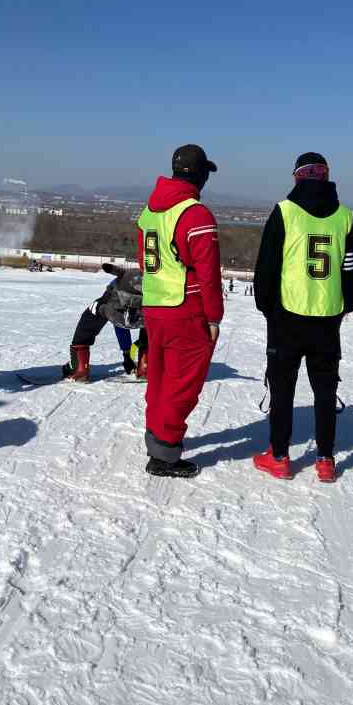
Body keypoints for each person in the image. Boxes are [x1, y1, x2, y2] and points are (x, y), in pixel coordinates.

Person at [253, 152, 353, 483]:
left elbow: (267, 266)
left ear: (297, 177)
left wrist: (266, 306)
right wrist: (347, 304)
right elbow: (351, 268)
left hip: (288, 315)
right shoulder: (344, 216)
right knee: (325, 390)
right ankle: (326, 460)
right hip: (328, 317)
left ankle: (280, 456)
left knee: (283, 388)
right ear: (326, 177)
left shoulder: (285, 212)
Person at [137, 144, 224, 478]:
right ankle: (164, 455)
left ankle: (155, 437)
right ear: (200, 175)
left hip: (154, 305)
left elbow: (143, 260)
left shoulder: (150, 211)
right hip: (185, 309)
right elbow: (208, 273)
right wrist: (213, 316)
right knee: (182, 384)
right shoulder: (195, 214)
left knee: (158, 379)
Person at [62, 264, 148, 381]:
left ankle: (80, 370)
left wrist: (127, 352)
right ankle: (145, 368)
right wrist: (127, 354)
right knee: (152, 329)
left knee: (89, 320)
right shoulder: (152, 278)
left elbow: (120, 324)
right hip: (147, 313)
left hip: (113, 311)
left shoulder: (117, 286)